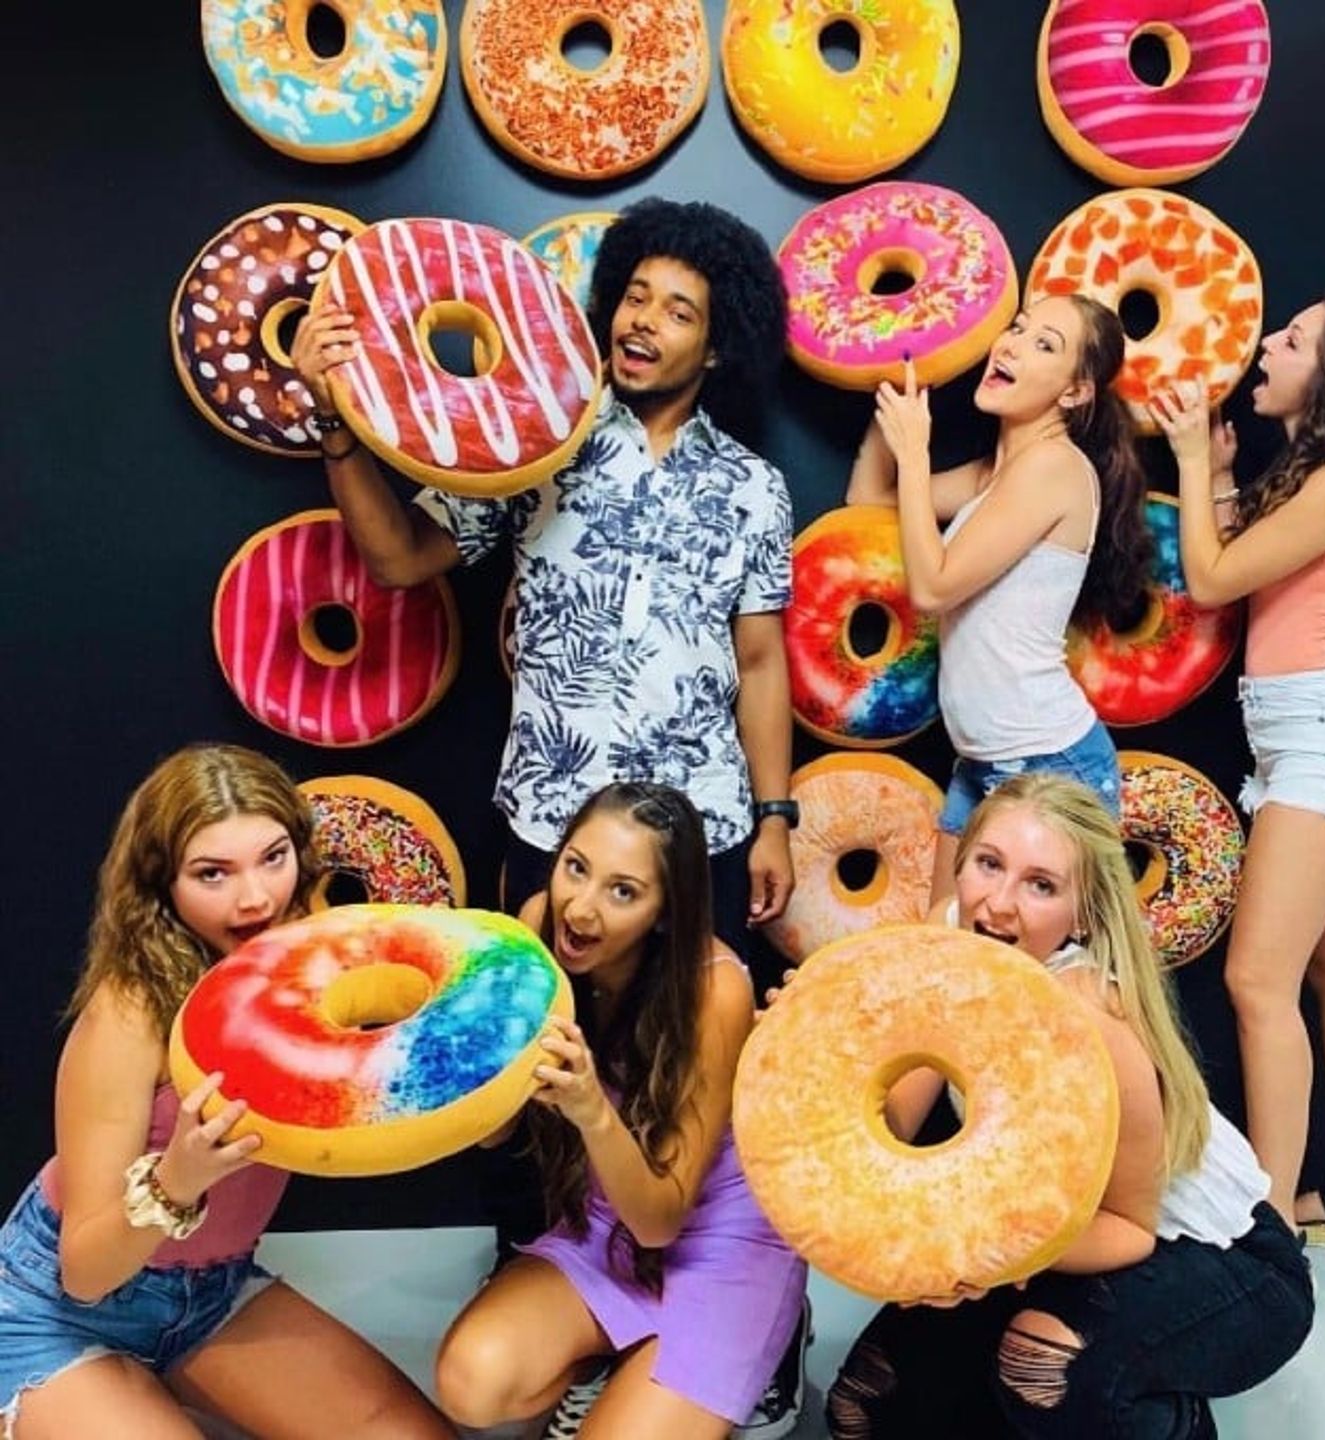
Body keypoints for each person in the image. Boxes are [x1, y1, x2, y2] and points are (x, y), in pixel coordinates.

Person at [292, 197, 798, 964]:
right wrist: (334, 424)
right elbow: (399, 559)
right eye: (634, 297)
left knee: (693, 1059)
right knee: (544, 1051)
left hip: (703, 827)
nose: (641, 321)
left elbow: (760, 662)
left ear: (717, 348)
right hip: (554, 821)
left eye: (676, 311)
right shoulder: (535, 443)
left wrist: (774, 819)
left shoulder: (756, 488)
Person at [824, 773, 1314, 1438]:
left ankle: (1169, 1418)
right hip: (1062, 1239)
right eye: (988, 864)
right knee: (865, 1404)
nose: (998, 903)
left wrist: (985, 1259)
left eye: (1041, 884)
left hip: (1222, 1260)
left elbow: (1129, 1228)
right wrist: (821, 1057)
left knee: (1038, 1370)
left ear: (1081, 913)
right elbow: (892, 1131)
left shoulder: (1085, 1020)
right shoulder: (953, 937)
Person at [0, 744, 454, 1440]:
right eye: (213, 873)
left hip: (211, 1292)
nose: (255, 897)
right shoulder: (132, 1011)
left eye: (274, 857)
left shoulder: (317, 973)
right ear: (163, 886)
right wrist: (176, 1181)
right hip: (57, 1310)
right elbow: (85, 1273)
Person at [1151, 299, 1325, 1254]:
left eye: (1293, 340)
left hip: (1320, 738)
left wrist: (1194, 463)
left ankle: (1264, 1225)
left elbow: (1213, 580)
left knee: (1256, 982)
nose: (1266, 348)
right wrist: (1228, 481)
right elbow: (1254, 568)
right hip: (1311, 733)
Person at [431, 781, 808, 1440]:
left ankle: (770, 1340)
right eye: (577, 867)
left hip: (717, 1239)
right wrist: (477, 1055)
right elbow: (495, 1136)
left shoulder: (713, 988)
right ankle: (614, 1359)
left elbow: (663, 1220)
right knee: (470, 1383)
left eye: (623, 891)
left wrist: (589, 1110)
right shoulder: (537, 922)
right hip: (607, 1225)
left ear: (665, 912)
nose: (581, 908)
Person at [848, 295, 1152, 907]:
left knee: (1041, 985)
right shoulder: (994, 474)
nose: (1011, 344)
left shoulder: (1054, 468)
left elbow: (933, 587)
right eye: (1017, 330)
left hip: (1050, 763)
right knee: (946, 956)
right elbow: (866, 496)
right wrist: (902, 377)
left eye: (1045, 344)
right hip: (981, 762)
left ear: (1074, 393)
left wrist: (915, 452)